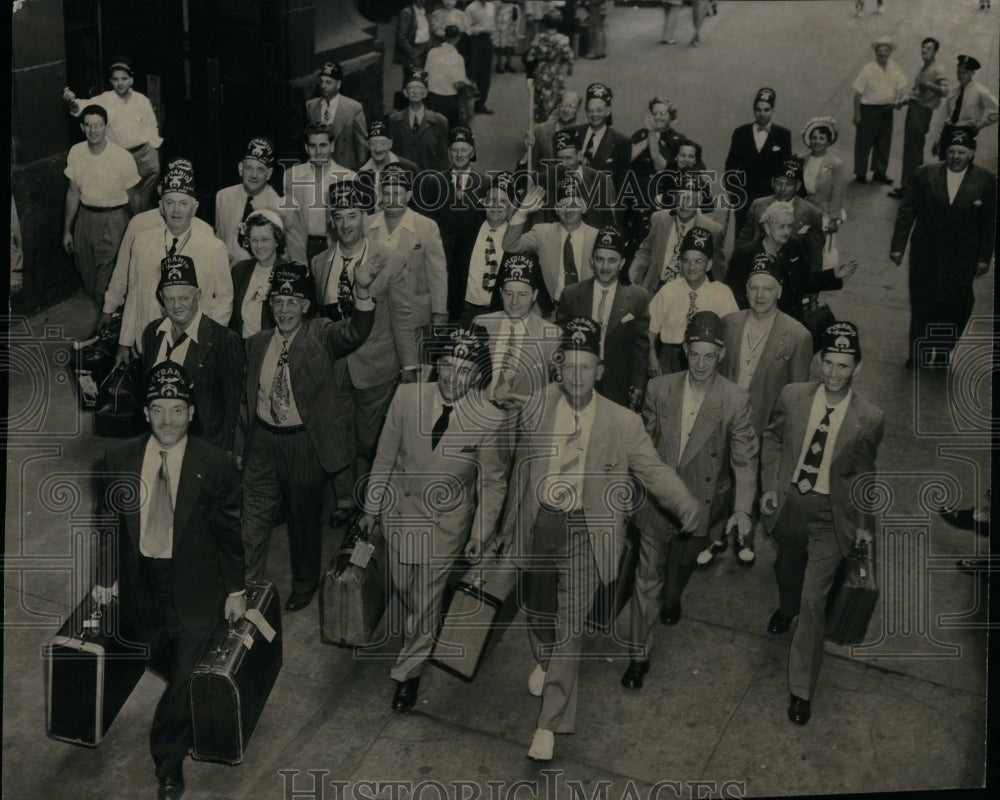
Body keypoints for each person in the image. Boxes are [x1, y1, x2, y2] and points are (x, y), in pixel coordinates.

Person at [489, 316, 700, 762]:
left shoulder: (622, 423)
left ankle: (549, 724)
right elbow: (505, 456)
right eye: (571, 366)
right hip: (539, 524)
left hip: (587, 531)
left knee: (570, 627)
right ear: (559, 367)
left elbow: (654, 470)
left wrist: (684, 503)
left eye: (589, 367)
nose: (578, 376)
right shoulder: (537, 405)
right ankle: (544, 660)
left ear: (600, 371)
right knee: (537, 608)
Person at [93, 362, 245, 800]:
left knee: (181, 676)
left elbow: (228, 531)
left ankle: (169, 763)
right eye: (158, 409)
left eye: (177, 409)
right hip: (142, 580)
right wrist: (107, 579)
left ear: (191, 413)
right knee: (157, 653)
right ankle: (193, 708)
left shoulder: (214, 463)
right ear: (145, 413)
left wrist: (235, 590)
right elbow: (108, 523)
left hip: (197, 585)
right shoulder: (118, 459)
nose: (167, 420)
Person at [359, 327, 510, 713]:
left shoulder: (490, 420)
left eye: (462, 369)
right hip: (399, 515)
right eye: (446, 364)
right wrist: (371, 508)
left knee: (424, 599)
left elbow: (492, 483)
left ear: (477, 376)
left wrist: (481, 531)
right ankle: (425, 628)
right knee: (406, 588)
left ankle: (408, 674)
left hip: (445, 526)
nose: (450, 376)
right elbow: (384, 456)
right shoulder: (407, 397)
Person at [760, 322, 884, 726]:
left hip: (832, 516)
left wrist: (864, 529)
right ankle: (785, 605)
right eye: (828, 363)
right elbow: (773, 438)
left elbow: (865, 477)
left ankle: (801, 689)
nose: (833, 373)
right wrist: (769, 486)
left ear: (857, 369)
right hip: (791, 503)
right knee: (788, 569)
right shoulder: (793, 397)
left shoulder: (869, 418)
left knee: (815, 602)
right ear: (818, 362)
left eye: (843, 366)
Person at [624, 311, 757, 688]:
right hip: (657, 503)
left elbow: (744, 458)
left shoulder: (734, 400)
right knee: (645, 580)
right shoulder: (659, 389)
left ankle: (674, 595)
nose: (701, 364)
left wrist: (743, 510)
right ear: (684, 351)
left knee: (675, 576)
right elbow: (641, 446)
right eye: (694, 355)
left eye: (709, 357)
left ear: (721, 355)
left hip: (700, 505)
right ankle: (638, 656)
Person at [238, 261, 379, 612]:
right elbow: (244, 399)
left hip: (304, 444)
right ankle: (243, 584)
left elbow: (355, 332)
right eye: (278, 302)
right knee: (252, 518)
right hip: (263, 443)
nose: (284, 310)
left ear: (305, 306)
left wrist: (361, 293)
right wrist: (240, 446)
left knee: (303, 519)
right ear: (270, 305)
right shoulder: (255, 344)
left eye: (293, 302)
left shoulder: (321, 333)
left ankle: (304, 583)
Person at [313, 182, 418, 525]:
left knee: (371, 438)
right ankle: (345, 497)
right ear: (331, 221)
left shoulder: (389, 258)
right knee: (337, 429)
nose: (346, 225)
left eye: (353, 216)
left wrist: (410, 365)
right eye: (338, 217)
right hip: (334, 364)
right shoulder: (319, 262)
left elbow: (403, 315)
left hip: (376, 362)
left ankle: (373, 498)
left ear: (365, 217)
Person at [710, 253, 813, 566]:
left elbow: (797, 394)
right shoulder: (729, 324)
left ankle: (745, 535)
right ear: (746, 288)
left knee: (754, 481)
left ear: (779, 290)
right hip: (725, 418)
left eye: (767, 288)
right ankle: (715, 532)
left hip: (764, 423)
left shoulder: (797, 336)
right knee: (719, 477)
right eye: (754, 288)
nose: (760, 295)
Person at [890, 125, 996, 368]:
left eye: (961, 151)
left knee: (956, 305)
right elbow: (907, 212)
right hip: (925, 253)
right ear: (944, 151)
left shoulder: (987, 181)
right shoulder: (925, 174)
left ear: (971, 153)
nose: (955, 157)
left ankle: (942, 352)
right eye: (951, 151)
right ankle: (918, 353)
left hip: (962, 257)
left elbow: (989, 223)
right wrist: (898, 246)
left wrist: (984, 258)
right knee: (922, 302)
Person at [117, 167, 233, 360]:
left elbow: (224, 298)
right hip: (149, 342)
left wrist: (209, 339)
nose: (176, 210)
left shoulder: (213, 247)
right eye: (170, 203)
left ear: (194, 207)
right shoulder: (142, 242)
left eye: (183, 203)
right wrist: (124, 342)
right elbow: (134, 294)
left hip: (194, 346)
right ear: (161, 206)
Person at [100, 158, 215, 333]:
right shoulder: (139, 224)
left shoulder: (204, 231)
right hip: (148, 319)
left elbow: (209, 290)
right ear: (161, 188)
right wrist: (108, 309)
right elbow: (123, 272)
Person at [140, 255, 242, 453]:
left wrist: (231, 451)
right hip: (159, 442)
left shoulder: (223, 340)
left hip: (204, 446)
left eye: (184, 298)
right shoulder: (152, 333)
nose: (177, 306)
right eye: (170, 299)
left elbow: (235, 404)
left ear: (198, 295)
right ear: (161, 298)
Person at [556, 225, 650, 410]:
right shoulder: (572, 294)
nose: (605, 267)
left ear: (622, 263)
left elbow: (640, 346)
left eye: (612, 261)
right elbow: (559, 340)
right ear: (591, 262)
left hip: (618, 381)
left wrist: (638, 385)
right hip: (578, 377)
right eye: (599, 260)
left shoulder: (637, 296)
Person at [62, 104, 139, 309]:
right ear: (82, 128)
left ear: (106, 126)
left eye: (98, 125)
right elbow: (72, 193)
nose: (93, 130)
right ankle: (109, 320)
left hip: (114, 219)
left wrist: (137, 229)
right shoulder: (76, 152)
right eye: (88, 125)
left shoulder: (122, 157)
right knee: (87, 276)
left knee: (105, 285)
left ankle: (108, 329)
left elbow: (134, 197)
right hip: (85, 219)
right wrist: (67, 231)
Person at [63, 56, 162, 214]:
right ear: (111, 81)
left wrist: (152, 150)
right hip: (121, 156)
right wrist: (72, 102)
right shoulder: (105, 99)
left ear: (131, 80)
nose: (120, 83)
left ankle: (143, 226)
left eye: (124, 79)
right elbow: (82, 107)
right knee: (125, 199)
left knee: (145, 201)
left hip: (144, 155)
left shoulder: (141, 100)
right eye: (116, 79)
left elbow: (152, 126)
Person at [726, 201, 855, 322]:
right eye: (781, 227)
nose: (787, 232)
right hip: (756, 319)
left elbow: (805, 280)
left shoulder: (794, 246)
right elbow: (734, 296)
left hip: (791, 319)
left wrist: (833, 274)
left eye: (789, 226)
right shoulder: (744, 255)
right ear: (767, 227)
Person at [365, 165, 449, 339]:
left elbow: (438, 273)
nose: (392, 199)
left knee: (412, 361)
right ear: (381, 196)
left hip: (412, 311)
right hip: (375, 311)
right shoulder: (367, 225)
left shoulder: (426, 226)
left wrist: (439, 311)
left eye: (397, 194)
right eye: (387, 194)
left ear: (408, 196)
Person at [473, 253, 561, 416]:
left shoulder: (551, 335)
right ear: (500, 291)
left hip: (525, 419)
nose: (514, 302)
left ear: (534, 295)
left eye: (522, 294)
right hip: (481, 414)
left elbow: (559, 386)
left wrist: (526, 399)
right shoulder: (481, 324)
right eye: (509, 293)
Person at [648, 226, 738, 375]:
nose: (691, 267)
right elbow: (649, 330)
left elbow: (733, 335)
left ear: (708, 264)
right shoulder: (668, 290)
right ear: (680, 263)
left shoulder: (722, 293)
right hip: (671, 357)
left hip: (706, 359)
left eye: (698, 262)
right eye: (687, 261)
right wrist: (652, 357)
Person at [502, 180, 599, 316]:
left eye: (573, 205)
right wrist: (522, 211)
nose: (568, 210)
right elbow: (510, 245)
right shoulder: (542, 232)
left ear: (584, 208)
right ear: (556, 210)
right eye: (562, 205)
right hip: (550, 311)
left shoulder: (597, 236)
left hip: (587, 310)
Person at [631, 170, 726, 294]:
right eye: (680, 198)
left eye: (690, 199)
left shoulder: (713, 230)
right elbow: (644, 252)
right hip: (656, 287)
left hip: (687, 292)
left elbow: (717, 272)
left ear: (700, 201)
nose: (684, 204)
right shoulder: (659, 219)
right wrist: (632, 281)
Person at [432, 126, 491, 321]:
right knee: (439, 310)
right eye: (454, 150)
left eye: (464, 149)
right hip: (441, 258)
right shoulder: (435, 182)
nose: (459, 155)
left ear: (472, 152)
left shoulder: (484, 183)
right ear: (449, 153)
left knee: (462, 315)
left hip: (470, 261)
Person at [281, 122, 357, 265]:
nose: (318, 151)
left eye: (323, 145)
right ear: (306, 148)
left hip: (333, 245)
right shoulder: (292, 176)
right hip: (300, 246)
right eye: (312, 146)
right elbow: (289, 220)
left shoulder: (348, 177)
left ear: (332, 146)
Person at [736, 157, 825, 272]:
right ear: (772, 182)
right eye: (779, 183)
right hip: (759, 271)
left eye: (788, 184)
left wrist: (813, 285)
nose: (782, 189)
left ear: (797, 186)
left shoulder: (811, 213)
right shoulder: (758, 205)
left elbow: (815, 255)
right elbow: (744, 240)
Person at [724, 88, 792, 235]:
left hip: (769, 194)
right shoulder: (740, 133)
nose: (762, 114)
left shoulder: (783, 134)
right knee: (742, 231)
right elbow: (731, 164)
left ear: (773, 110)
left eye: (766, 110)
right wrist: (733, 189)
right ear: (753, 111)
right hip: (744, 193)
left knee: (766, 231)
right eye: (758, 110)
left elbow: (785, 168)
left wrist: (782, 193)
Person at [887, 38, 949, 199]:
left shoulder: (937, 69)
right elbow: (916, 92)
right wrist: (904, 101)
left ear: (935, 51)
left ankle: (911, 189)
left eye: (928, 49)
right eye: (923, 48)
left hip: (922, 112)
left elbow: (945, 90)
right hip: (915, 108)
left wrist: (929, 85)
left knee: (913, 151)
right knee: (910, 149)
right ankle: (908, 185)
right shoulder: (924, 68)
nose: (924, 51)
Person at [214, 137, 283, 266]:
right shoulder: (223, 197)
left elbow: (290, 255)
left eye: (260, 170)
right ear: (240, 168)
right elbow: (219, 240)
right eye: (249, 168)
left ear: (269, 173)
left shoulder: (280, 205)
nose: (254, 175)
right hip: (228, 275)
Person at [462, 171, 517, 326]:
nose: (496, 206)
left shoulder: (516, 240)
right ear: (484, 202)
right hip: (465, 309)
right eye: (491, 199)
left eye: (502, 201)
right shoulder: (467, 231)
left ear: (511, 208)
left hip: (500, 313)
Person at [851, 35, 907, 185]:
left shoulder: (895, 68)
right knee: (864, 142)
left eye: (886, 50)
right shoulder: (868, 69)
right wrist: (857, 114)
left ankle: (879, 172)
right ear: (875, 52)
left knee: (883, 143)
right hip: (868, 110)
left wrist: (897, 100)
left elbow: (901, 86)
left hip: (887, 110)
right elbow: (858, 93)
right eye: (880, 51)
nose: (883, 53)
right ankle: (860, 173)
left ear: (890, 52)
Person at [540, 129, 617, 229]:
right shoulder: (550, 176)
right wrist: (525, 158)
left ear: (580, 155)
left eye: (568, 158)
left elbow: (611, 221)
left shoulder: (602, 180)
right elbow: (525, 181)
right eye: (559, 159)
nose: (563, 164)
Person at [230, 209, 285, 339]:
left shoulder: (287, 272)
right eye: (254, 240)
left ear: (277, 241)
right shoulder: (240, 270)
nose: (259, 246)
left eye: (265, 239)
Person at [305, 61, 368, 171]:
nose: (323, 86)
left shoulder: (353, 108)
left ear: (338, 84)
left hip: (344, 169)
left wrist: (359, 170)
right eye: (322, 82)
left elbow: (361, 145)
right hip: (319, 167)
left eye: (328, 82)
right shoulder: (311, 106)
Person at [573, 83, 632, 199]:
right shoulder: (573, 134)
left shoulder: (621, 142)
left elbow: (621, 186)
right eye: (590, 110)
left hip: (602, 208)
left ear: (608, 111)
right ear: (585, 111)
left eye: (599, 110)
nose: (594, 114)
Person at [931, 55, 999, 157]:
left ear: (972, 73)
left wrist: (980, 125)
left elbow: (996, 111)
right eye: (958, 72)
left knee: (960, 165)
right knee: (943, 164)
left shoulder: (980, 91)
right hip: (948, 131)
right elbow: (944, 117)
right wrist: (937, 140)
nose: (961, 76)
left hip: (966, 132)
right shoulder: (953, 91)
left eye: (965, 73)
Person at [387, 68, 451, 173]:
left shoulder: (438, 121)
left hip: (429, 179)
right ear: (405, 92)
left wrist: (445, 182)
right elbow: (391, 154)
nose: (415, 91)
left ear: (425, 93)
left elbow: (444, 157)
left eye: (419, 87)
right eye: (411, 87)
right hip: (404, 179)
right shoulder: (395, 120)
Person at [799, 117, 846, 235]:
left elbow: (837, 193)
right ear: (809, 139)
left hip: (823, 210)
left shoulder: (835, 164)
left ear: (828, 141)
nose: (817, 141)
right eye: (814, 137)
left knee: (818, 243)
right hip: (802, 207)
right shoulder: (801, 159)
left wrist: (834, 218)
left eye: (822, 138)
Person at [425, 25, 477, 130]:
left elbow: (426, 74)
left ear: (445, 36)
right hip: (448, 100)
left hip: (431, 97)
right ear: (458, 38)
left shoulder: (432, 52)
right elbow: (457, 84)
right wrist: (469, 83)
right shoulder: (458, 58)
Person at [521, 89, 581, 169]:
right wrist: (527, 150)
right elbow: (531, 166)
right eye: (564, 105)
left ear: (578, 109)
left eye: (572, 106)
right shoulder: (541, 130)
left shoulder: (583, 134)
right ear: (558, 106)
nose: (566, 110)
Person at [356, 119, 420, 190]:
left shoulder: (409, 169)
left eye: (383, 143)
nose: (378, 149)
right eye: (373, 143)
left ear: (390, 144)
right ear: (367, 145)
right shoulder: (359, 172)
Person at [464, 0, 497, 114]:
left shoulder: (491, 7)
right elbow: (466, 29)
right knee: (473, 72)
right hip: (474, 42)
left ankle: (480, 104)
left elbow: (492, 25)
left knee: (486, 74)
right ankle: (466, 107)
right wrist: (480, 29)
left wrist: (491, 32)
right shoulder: (471, 8)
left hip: (487, 41)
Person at [394, 0, 432, 77]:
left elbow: (427, 32)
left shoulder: (424, 11)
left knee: (423, 78)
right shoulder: (407, 12)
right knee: (412, 78)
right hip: (413, 52)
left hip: (425, 50)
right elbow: (401, 38)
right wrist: (414, 55)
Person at [494, 0, 522, 72]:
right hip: (501, 9)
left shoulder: (516, 7)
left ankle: (508, 63)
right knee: (500, 43)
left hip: (513, 9)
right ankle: (499, 64)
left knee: (511, 42)